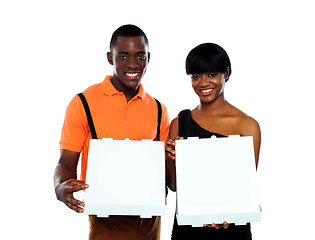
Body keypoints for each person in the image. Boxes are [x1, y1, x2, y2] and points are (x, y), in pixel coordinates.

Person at [54, 24, 169, 240]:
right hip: (107, 221)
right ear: (110, 57)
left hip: (150, 221)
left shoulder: (158, 109)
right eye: (123, 56)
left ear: (148, 58)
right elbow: (66, 163)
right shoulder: (83, 103)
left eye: (140, 56)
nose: (133, 64)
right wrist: (60, 187)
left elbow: (165, 171)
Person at [166, 43, 261, 240]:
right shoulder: (179, 122)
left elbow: (244, 190)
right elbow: (174, 186)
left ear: (225, 73)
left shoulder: (247, 126)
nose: (203, 83)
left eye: (211, 75)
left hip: (231, 228)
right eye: (196, 76)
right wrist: (170, 158)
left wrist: (226, 214)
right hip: (188, 229)